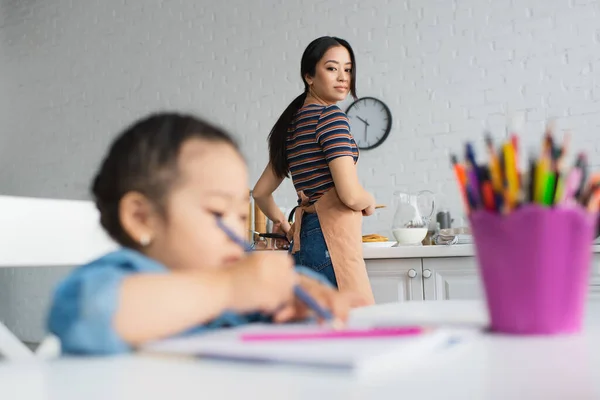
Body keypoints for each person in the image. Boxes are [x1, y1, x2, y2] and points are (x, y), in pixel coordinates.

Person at [47, 112, 353, 355]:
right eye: (218, 213)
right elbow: (89, 313)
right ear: (142, 218)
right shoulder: (120, 277)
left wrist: (302, 292)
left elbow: (278, 307)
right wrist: (228, 289)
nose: (234, 229)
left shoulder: (234, 287)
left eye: (241, 215)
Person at [252, 36, 375, 306]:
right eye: (332, 68)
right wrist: (369, 201)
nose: (343, 77)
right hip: (332, 243)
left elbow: (260, 193)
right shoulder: (331, 117)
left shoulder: (291, 125)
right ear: (309, 75)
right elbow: (350, 195)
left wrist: (286, 226)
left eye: (348, 69)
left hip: (304, 242)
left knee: (317, 330)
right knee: (351, 325)